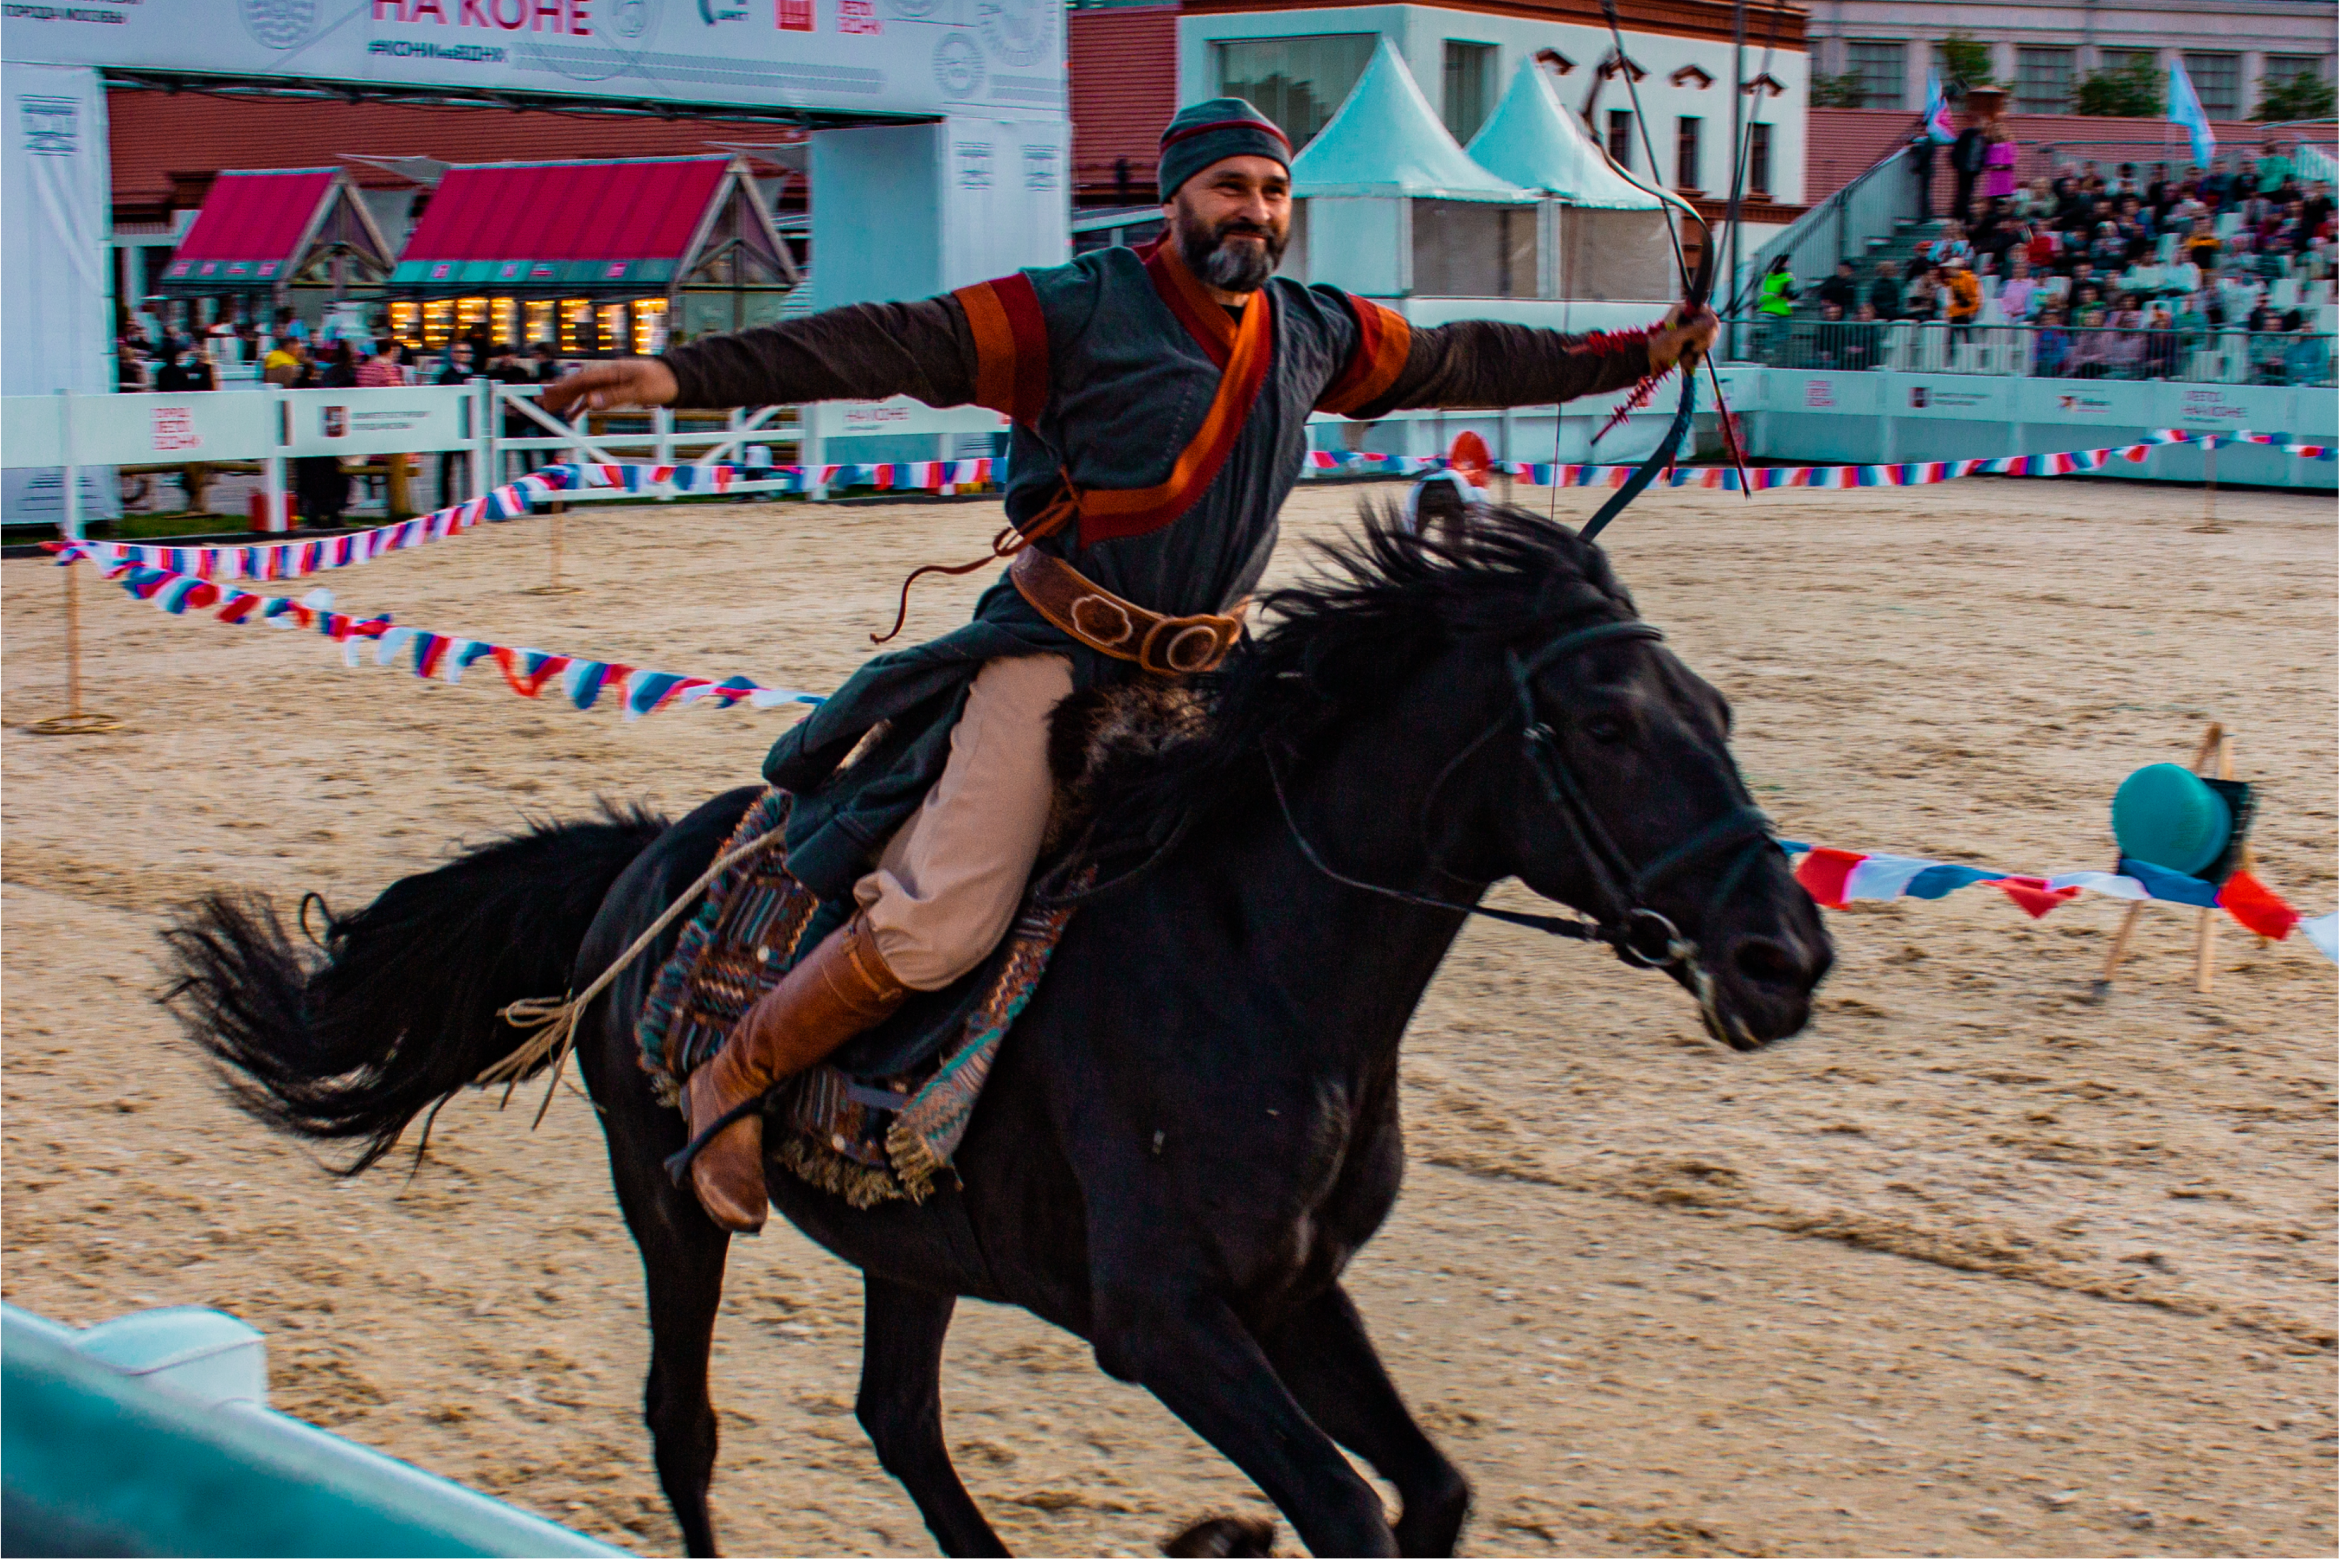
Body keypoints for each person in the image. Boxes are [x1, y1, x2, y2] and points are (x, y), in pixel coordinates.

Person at [539, 97, 1719, 1233]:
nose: (1252, 210)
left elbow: (1467, 356)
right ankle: (737, 1075)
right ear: (1174, 202)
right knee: (942, 921)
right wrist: (684, 376)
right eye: (1227, 188)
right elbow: (889, 338)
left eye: (1271, 191)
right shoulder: (1073, 310)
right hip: (1056, 657)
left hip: (1216, 679)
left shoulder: (1314, 331)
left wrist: (1636, 351)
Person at [295, 341, 357, 525]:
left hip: (314, 434)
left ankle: (316, 511)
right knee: (339, 475)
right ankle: (335, 512)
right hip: (336, 429)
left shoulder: (328, 375)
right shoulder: (347, 375)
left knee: (316, 477)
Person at [435, 343, 474, 503]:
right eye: (460, 351)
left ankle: (470, 500)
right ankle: (445, 503)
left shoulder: (476, 374)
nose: (464, 354)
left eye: (467, 351)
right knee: (446, 469)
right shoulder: (446, 375)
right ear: (452, 354)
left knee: (470, 468)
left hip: (470, 425)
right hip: (452, 425)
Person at [1950, 108, 1991, 225]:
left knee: (1970, 192)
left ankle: (1965, 216)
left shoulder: (1984, 138)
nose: (1984, 125)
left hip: (1974, 170)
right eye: (1983, 122)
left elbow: (1983, 154)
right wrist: (1958, 163)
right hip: (1964, 167)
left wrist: (1980, 166)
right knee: (1961, 192)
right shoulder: (1968, 133)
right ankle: (1958, 215)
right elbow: (1957, 149)